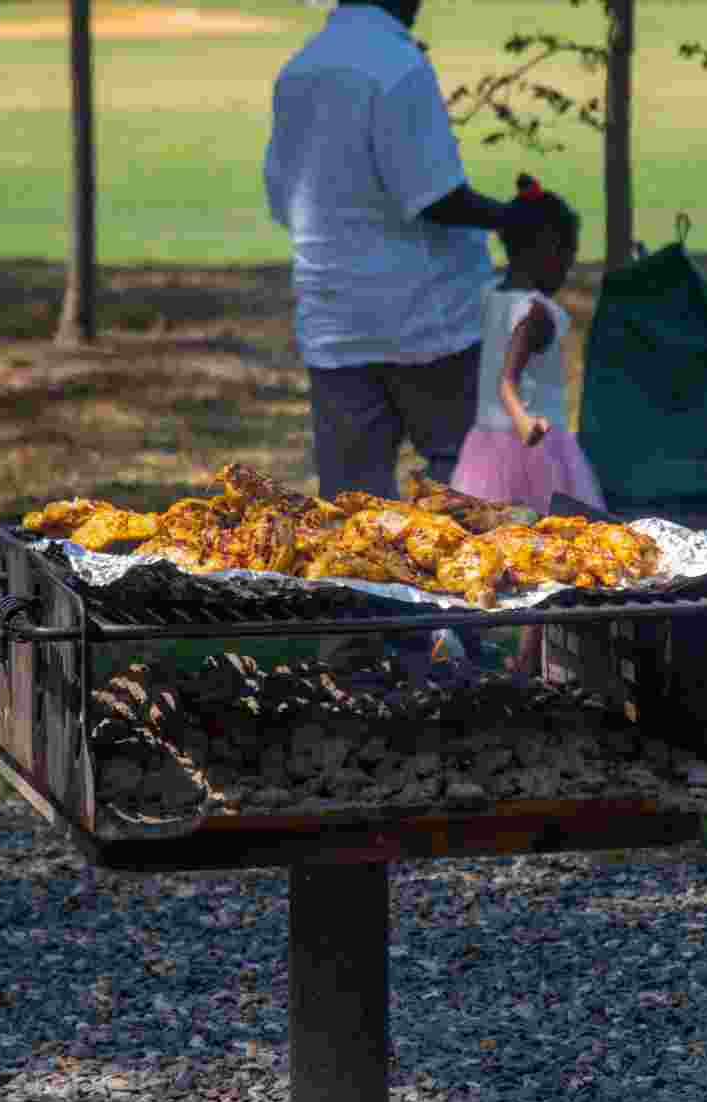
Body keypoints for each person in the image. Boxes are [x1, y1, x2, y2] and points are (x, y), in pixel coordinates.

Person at [263, 0, 544, 669]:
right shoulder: (397, 68)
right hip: (425, 321)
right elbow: (433, 195)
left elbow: (283, 199)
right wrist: (511, 218)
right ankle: (454, 633)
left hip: (335, 324)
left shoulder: (299, 69)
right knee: (457, 482)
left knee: (350, 501)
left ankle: (353, 655)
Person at [451, 174, 607, 674]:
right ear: (543, 248)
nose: (569, 265)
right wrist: (522, 419)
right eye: (567, 252)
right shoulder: (536, 312)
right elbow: (506, 380)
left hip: (483, 447)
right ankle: (530, 660)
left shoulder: (492, 296)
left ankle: (493, 654)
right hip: (534, 450)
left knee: (499, 556)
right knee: (557, 552)